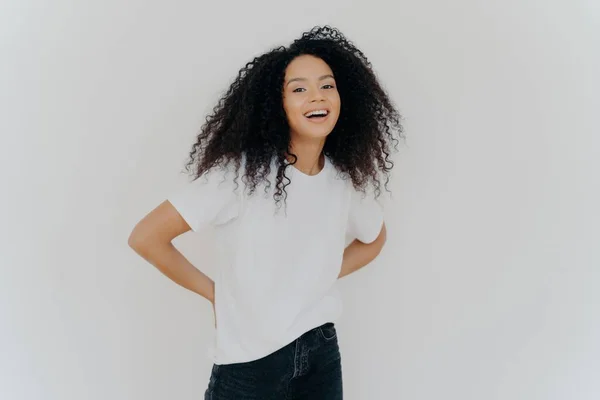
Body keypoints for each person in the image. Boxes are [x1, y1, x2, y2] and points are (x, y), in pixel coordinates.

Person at [128, 25, 402, 400]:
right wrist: (215, 295)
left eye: (327, 85)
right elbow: (146, 237)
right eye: (299, 89)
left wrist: (318, 274)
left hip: (320, 350)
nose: (317, 97)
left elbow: (375, 238)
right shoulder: (238, 176)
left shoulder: (344, 180)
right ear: (277, 104)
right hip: (250, 364)